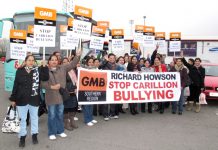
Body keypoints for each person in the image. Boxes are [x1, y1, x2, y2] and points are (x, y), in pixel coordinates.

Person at [9, 55, 49, 148]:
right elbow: (16, 85)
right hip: (21, 99)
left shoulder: (37, 70)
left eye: (32, 60)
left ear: (34, 62)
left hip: (34, 99)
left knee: (34, 118)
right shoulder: (19, 71)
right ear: (25, 61)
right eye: (29, 60)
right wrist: (13, 98)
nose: (31, 62)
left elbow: (46, 78)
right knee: (22, 119)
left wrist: (44, 66)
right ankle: (22, 137)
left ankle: (34, 135)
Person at [41, 52, 80, 140]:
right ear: (49, 61)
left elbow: (73, 64)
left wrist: (77, 55)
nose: (54, 61)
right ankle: (52, 132)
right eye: (52, 60)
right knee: (52, 115)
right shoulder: (45, 70)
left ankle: (60, 131)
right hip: (51, 97)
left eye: (56, 60)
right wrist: (52, 87)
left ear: (58, 61)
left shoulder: (62, 68)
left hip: (61, 97)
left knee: (60, 114)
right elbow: (42, 84)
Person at [100, 53, 119, 120]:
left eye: (113, 58)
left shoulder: (117, 66)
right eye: (110, 58)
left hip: (114, 86)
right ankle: (105, 115)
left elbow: (122, 73)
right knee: (106, 100)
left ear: (115, 59)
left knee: (112, 100)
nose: (112, 59)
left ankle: (112, 113)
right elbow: (100, 66)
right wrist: (105, 61)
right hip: (106, 85)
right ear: (108, 58)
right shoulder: (105, 64)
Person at [61, 58, 78, 131]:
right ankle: (66, 123)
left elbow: (75, 80)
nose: (65, 63)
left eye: (67, 62)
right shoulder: (62, 71)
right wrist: (66, 90)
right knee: (66, 108)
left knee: (73, 107)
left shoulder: (72, 70)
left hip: (73, 91)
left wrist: (76, 87)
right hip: (66, 91)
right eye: (64, 62)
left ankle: (72, 121)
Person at [81, 57, 98, 126]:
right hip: (85, 89)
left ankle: (91, 118)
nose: (91, 63)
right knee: (86, 105)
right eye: (89, 62)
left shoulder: (95, 69)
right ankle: (87, 120)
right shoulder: (83, 69)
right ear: (87, 63)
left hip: (93, 89)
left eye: (92, 62)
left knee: (91, 104)